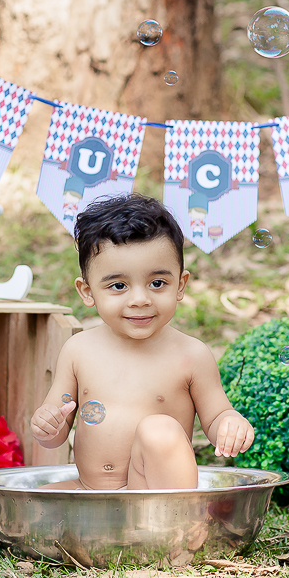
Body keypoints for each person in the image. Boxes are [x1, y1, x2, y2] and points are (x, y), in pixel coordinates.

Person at [29, 193, 255, 490]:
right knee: (30, 505)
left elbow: (216, 418)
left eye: (157, 283)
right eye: (119, 285)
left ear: (180, 285)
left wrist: (230, 423)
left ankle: (173, 526)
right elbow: (57, 429)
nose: (140, 300)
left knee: (158, 429)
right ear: (87, 291)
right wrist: (46, 426)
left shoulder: (190, 354)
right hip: (90, 490)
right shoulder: (78, 350)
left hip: (153, 495)